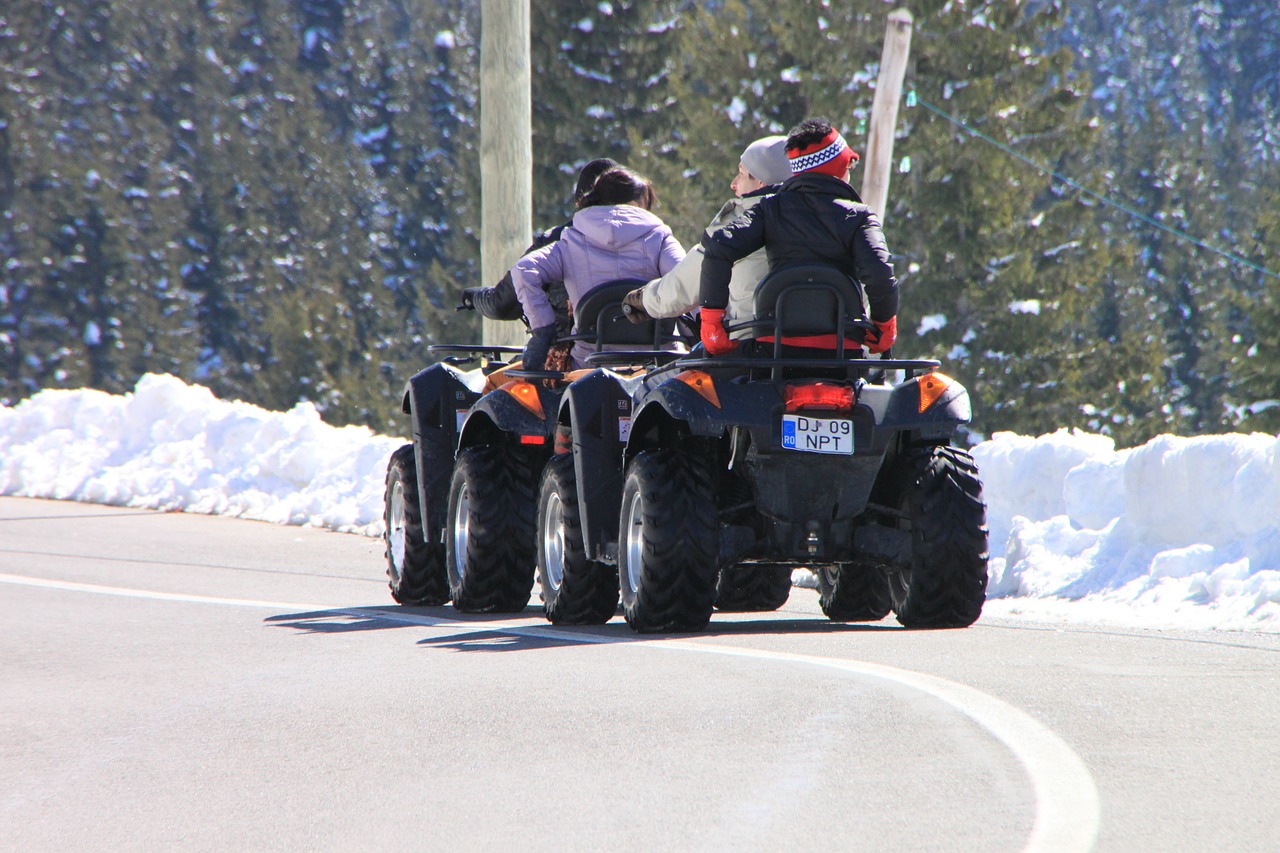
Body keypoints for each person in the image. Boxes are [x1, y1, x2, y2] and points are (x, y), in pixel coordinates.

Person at [697, 117, 899, 357]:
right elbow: (879, 275)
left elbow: (720, 246)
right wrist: (884, 328)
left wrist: (712, 322)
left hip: (774, 348)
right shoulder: (860, 217)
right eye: (849, 166)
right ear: (838, 168)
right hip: (841, 351)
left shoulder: (770, 209)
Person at [511, 167, 685, 371]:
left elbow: (524, 270)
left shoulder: (571, 239)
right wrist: (696, 330)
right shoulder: (660, 237)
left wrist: (543, 329)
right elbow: (687, 280)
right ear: (636, 204)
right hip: (659, 362)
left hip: (590, 364)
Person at [621, 135, 792, 343]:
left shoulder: (737, 225)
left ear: (761, 181)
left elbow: (681, 288)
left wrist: (642, 300)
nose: (733, 184)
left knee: (659, 376)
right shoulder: (824, 218)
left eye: (740, 174)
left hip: (754, 350)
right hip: (828, 352)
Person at [458, 157, 619, 334]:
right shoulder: (650, 237)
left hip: (573, 353)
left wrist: (474, 297)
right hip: (642, 353)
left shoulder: (558, 240)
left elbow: (503, 303)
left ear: (580, 201)